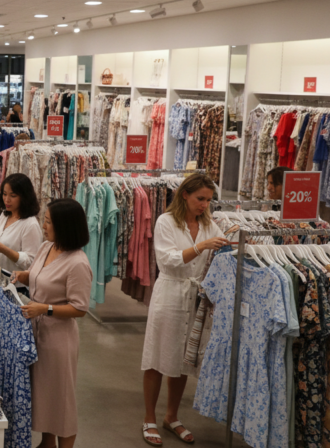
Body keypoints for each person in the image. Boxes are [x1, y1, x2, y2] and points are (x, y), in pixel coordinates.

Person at [140, 173, 228, 446]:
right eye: (200, 199)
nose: (204, 205)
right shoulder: (166, 222)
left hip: (196, 297)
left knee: (182, 360)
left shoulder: (209, 224)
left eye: (209, 200)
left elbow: (223, 249)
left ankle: (172, 416)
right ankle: (149, 418)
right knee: (157, 358)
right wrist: (201, 246)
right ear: (184, 195)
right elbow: (168, 259)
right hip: (169, 293)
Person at [12, 198, 92, 448]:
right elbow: (39, 274)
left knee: (61, 400)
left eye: (48, 221)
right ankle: (47, 443)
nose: (43, 225)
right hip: (37, 333)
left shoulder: (78, 263)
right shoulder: (48, 247)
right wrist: (23, 276)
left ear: (64, 226)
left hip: (59, 339)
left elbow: (79, 308)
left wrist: (44, 308)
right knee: (44, 395)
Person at [0, 173, 43, 292]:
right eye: (4, 194)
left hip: (15, 288)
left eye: (13, 195)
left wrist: (4, 249)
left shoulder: (30, 225)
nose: (7, 199)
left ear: (24, 196)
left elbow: (31, 262)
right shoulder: (7, 214)